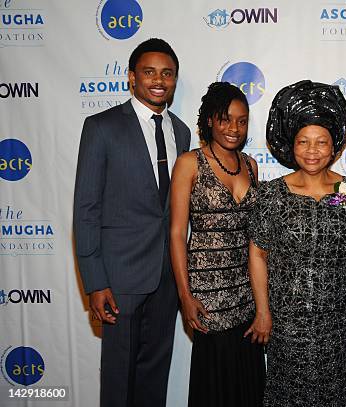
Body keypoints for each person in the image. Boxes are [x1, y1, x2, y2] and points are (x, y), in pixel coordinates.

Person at [73, 38, 191, 407]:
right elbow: (86, 209)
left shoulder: (182, 132)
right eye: (149, 72)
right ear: (131, 77)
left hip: (166, 275)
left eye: (167, 73)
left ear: (174, 80)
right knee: (118, 378)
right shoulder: (102, 127)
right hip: (119, 278)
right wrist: (95, 281)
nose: (159, 80)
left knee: (154, 374)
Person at [247, 80, 346, 407]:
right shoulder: (272, 193)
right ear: (291, 145)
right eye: (304, 141)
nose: (312, 150)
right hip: (285, 320)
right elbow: (257, 253)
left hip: (335, 320)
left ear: (334, 144)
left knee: (334, 393)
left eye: (321, 142)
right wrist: (263, 312)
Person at [169, 82, 265, 407]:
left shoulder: (251, 166)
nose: (233, 128)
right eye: (225, 119)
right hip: (208, 296)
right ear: (210, 119)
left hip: (246, 294)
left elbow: (257, 236)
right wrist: (185, 295)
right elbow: (176, 233)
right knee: (216, 388)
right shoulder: (189, 163)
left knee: (247, 384)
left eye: (241, 120)